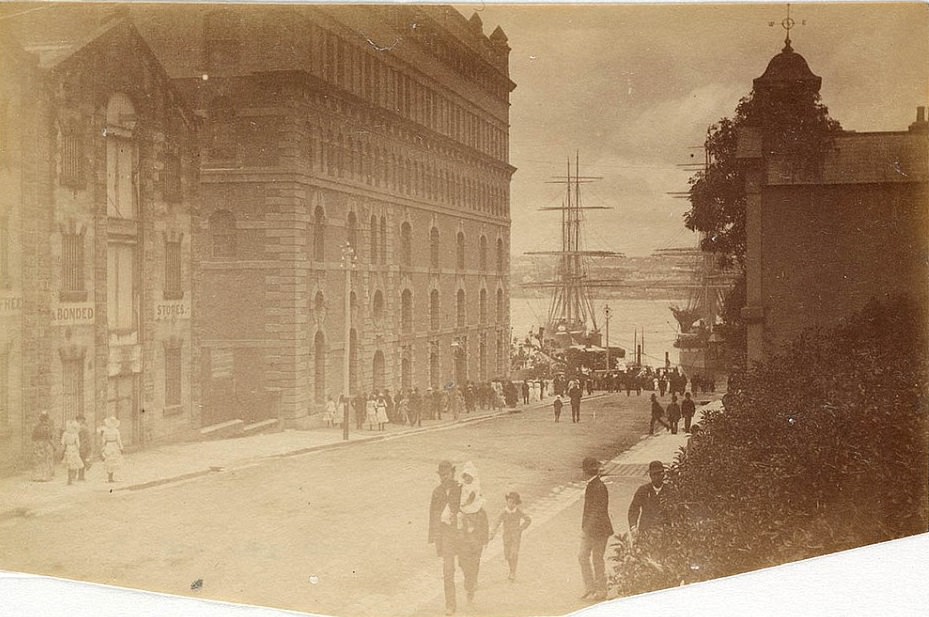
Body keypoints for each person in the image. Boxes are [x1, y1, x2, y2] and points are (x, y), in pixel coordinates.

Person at [429, 460, 462, 615]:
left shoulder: (461, 488)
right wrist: (436, 538)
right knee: (448, 571)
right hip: (446, 535)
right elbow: (433, 515)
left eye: (447, 474)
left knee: (467, 566)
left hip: (462, 535)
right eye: (442, 475)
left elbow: (472, 508)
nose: (444, 477)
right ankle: (450, 604)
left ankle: (470, 584)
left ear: (452, 473)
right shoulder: (437, 492)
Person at [578, 456, 613, 601]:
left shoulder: (598, 486)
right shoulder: (593, 484)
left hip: (599, 530)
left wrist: (586, 529)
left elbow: (597, 511)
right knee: (582, 556)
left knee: (597, 559)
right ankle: (590, 587)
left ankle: (601, 590)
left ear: (585, 471)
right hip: (591, 529)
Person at [457, 462, 489, 605]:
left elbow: (484, 526)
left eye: (469, 476)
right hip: (463, 541)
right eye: (465, 476)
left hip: (475, 543)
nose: (467, 479)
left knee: (474, 563)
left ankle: (471, 585)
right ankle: (469, 580)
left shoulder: (479, 511)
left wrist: (484, 540)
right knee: (463, 564)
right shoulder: (461, 489)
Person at [490, 490, 532, 581]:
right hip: (506, 536)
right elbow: (497, 522)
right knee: (508, 554)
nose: (511, 504)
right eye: (509, 502)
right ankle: (511, 569)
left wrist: (521, 528)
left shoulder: (518, 512)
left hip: (516, 536)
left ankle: (513, 572)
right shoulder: (504, 512)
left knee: (514, 553)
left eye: (513, 503)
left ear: (516, 503)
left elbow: (528, 520)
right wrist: (492, 533)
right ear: (507, 502)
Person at [628, 460, 671, 538]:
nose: (657, 477)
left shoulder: (669, 490)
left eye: (659, 474)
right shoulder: (643, 490)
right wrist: (633, 527)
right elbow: (633, 509)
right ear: (650, 475)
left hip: (665, 531)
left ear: (663, 475)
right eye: (654, 474)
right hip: (646, 529)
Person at [31, 411, 55, 482]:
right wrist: (53, 446)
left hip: (37, 445)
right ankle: (44, 477)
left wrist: (36, 444)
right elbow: (49, 437)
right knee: (45, 460)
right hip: (45, 444)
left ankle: (36, 476)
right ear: (47, 419)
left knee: (38, 460)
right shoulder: (47, 427)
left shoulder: (36, 427)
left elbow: (33, 437)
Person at [98, 416, 124, 483]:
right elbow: (118, 440)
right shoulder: (116, 431)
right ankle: (110, 477)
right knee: (112, 460)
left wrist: (103, 447)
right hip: (114, 445)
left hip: (109, 446)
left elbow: (103, 440)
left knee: (109, 460)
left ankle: (110, 477)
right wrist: (121, 447)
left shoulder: (106, 431)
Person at [60, 420, 84, 485]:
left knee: (69, 463)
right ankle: (71, 478)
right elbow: (78, 444)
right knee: (73, 463)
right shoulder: (75, 434)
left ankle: (69, 479)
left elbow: (62, 442)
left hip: (68, 448)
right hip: (74, 449)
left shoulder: (65, 434)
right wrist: (78, 448)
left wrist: (63, 448)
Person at [76, 415, 92, 480]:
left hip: (80, 445)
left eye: (79, 420)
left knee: (79, 460)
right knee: (82, 460)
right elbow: (88, 438)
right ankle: (81, 476)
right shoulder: (84, 427)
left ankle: (79, 475)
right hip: (83, 445)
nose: (78, 421)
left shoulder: (80, 427)